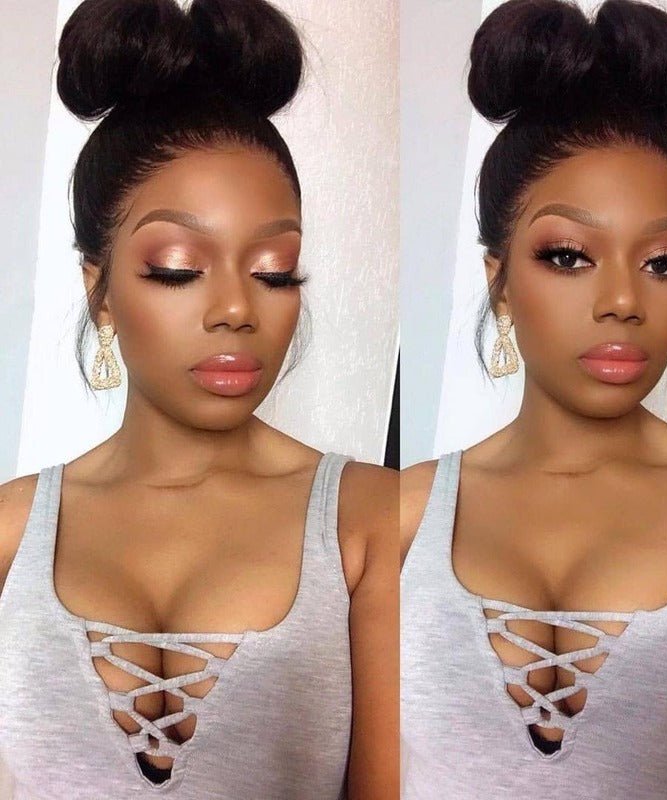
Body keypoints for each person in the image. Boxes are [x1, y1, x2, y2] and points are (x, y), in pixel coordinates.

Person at [400, 1, 667, 798]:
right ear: (499, 279)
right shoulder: (403, 513)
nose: (623, 300)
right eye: (569, 255)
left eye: (663, 262)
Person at [0, 1, 397, 798]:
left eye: (275, 272)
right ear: (100, 288)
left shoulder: (371, 523)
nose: (237, 309)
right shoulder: (10, 535)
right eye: (178, 268)